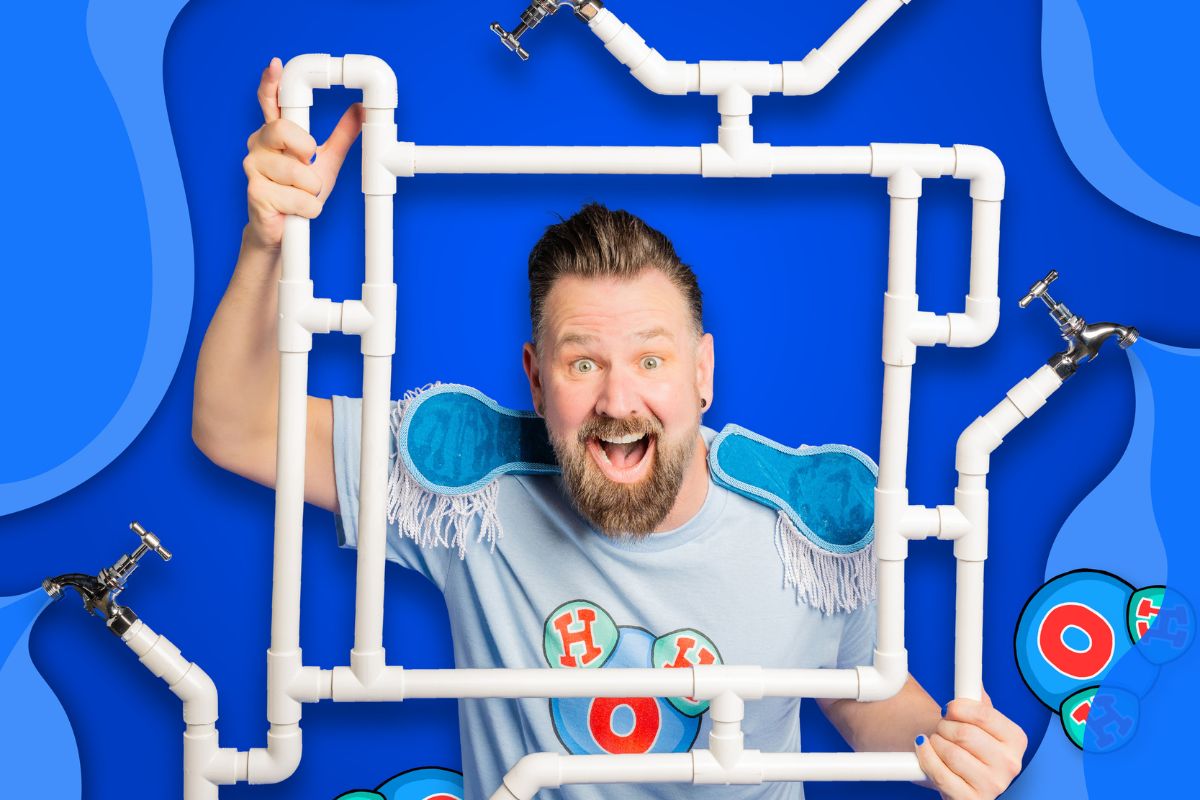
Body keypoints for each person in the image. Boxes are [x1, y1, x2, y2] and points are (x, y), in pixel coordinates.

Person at [193, 58, 1028, 800]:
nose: (619, 400)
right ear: (535, 378)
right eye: (583, 362)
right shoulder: (466, 482)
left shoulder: (808, 523)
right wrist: (269, 241)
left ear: (704, 374)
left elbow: (864, 699)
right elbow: (233, 426)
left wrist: (953, 756)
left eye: (653, 362)